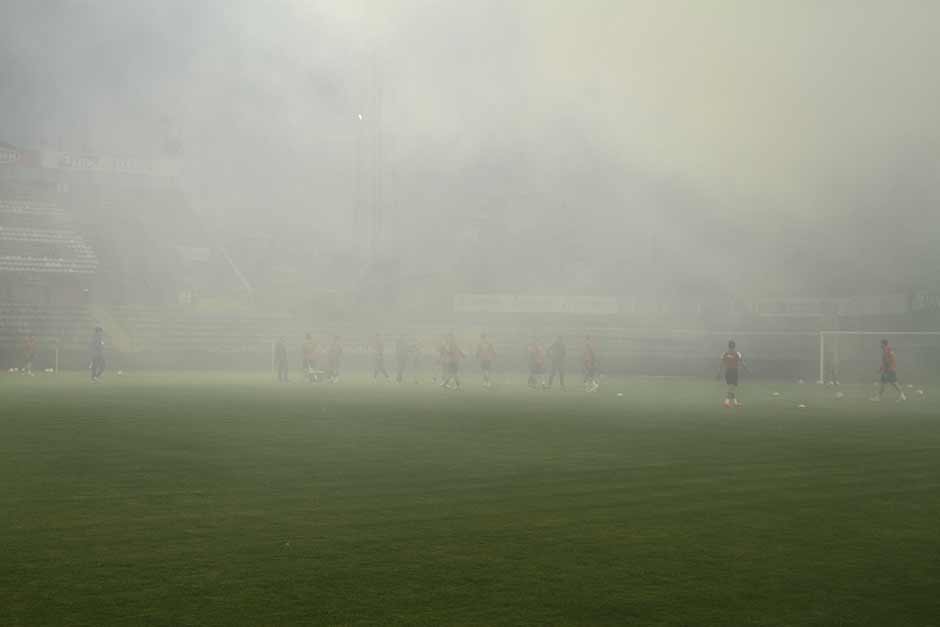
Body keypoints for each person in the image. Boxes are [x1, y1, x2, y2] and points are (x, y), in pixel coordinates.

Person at [718, 340, 745, 407]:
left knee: (731, 386)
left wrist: (719, 373)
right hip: (734, 371)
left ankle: (735, 402)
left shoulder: (725, 353)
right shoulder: (737, 353)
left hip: (727, 371)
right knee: (732, 387)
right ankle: (726, 402)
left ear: (728, 346)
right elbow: (742, 363)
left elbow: (721, 364)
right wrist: (747, 369)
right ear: (734, 346)